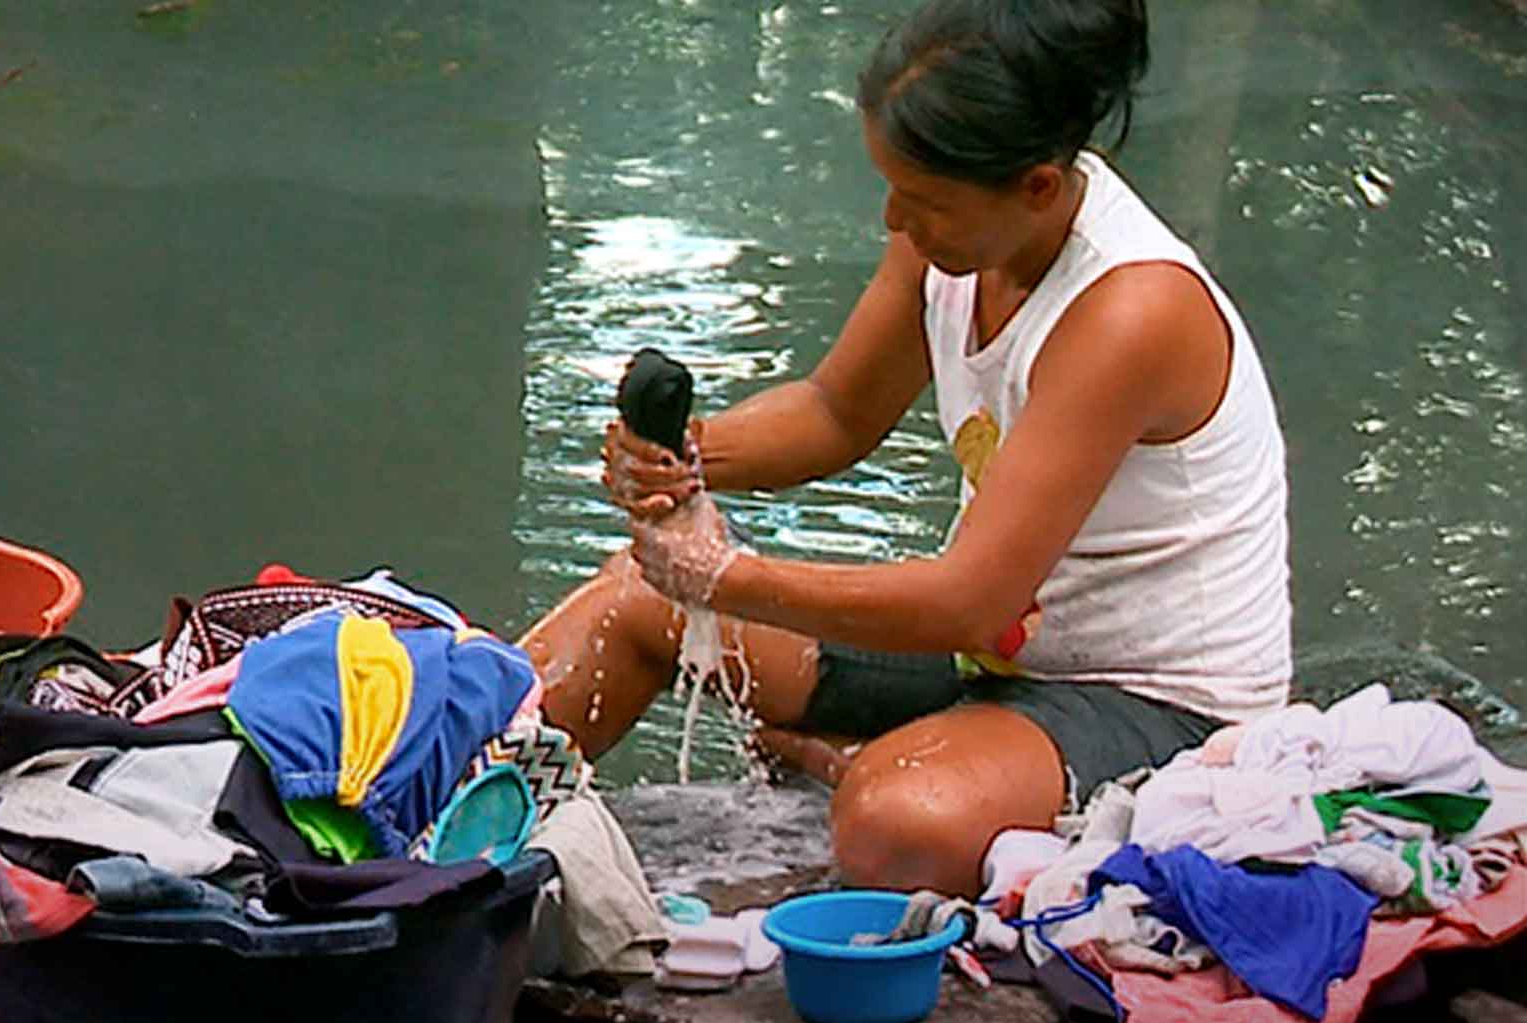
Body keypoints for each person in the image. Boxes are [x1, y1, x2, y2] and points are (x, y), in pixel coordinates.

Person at [516, 0, 1291, 898]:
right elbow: (835, 413)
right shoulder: (955, 238)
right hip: (992, 657)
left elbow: (970, 600)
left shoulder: (1130, 311)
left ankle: (876, 761)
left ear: (1038, 186)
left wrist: (721, 578)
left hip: (1150, 703)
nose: (896, 219)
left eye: (922, 201)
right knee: (630, 606)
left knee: (896, 824)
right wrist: (688, 455)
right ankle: (448, 833)